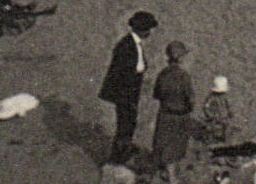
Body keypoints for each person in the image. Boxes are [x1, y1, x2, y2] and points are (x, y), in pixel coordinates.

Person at [100, 10, 159, 163]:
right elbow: (121, 74)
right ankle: (118, 157)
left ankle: (123, 150)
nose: (150, 33)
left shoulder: (133, 43)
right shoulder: (126, 46)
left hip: (130, 92)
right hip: (125, 94)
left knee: (129, 123)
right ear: (142, 29)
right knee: (125, 125)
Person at [151, 41, 194, 184]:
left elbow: (156, 94)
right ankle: (172, 177)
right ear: (181, 58)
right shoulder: (184, 76)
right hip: (180, 116)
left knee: (164, 143)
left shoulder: (162, 74)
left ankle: (164, 171)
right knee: (176, 147)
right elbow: (191, 100)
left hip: (165, 114)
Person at [202, 76, 234, 144]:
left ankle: (225, 138)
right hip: (214, 117)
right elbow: (206, 107)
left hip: (223, 116)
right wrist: (210, 115)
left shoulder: (224, 97)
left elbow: (228, 105)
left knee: (227, 126)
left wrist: (230, 112)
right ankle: (211, 139)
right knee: (210, 128)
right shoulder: (211, 97)